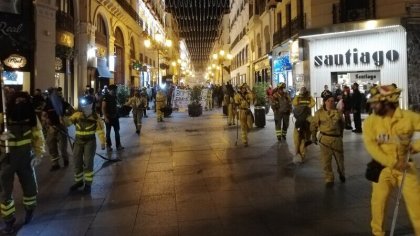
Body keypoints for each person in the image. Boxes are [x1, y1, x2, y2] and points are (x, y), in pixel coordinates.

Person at [363, 85, 420, 236]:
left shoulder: (408, 118)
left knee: (417, 204)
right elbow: (372, 147)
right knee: (378, 204)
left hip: (406, 166)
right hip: (382, 167)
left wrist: (416, 146)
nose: (372, 106)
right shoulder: (370, 122)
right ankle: (378, 233)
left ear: (387, 102)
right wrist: (393, 163)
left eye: (376, 102)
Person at [0, 91, 45, 234]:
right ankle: (8, 220)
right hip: (6, 159)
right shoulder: (4, 118)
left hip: (26, 158)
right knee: (4, 191)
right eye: (17, 100)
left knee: (30, 187)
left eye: (23, 101)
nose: (20, 104)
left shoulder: (32, 118)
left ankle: (29, 209)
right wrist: (1, 137)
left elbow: (38, 137)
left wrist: (39, 154)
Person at [67, 95, 105, 194]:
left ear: (91, 105)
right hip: (78, 142)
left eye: (87, 104)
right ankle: (79, 182)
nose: (84, 106)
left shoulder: (96, 117)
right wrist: (62, 118)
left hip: (90, 142)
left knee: (88, 163)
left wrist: (103, 142)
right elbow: (68, 122)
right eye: (83, 104)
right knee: (77, 162)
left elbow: (100, 131)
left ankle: (88, 185)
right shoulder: (77, 115)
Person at [310, 94, 345, 188]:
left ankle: (341, 173)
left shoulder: (338, 112)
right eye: (329, 101)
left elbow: (342, 125)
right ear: (325, 102)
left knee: (340, 161)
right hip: (325, 140)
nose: (331, 102)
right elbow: (314, 125)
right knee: (326, 161)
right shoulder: (319, 113)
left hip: (336, 139)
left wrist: (341, 135)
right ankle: (329, 179)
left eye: (332, 101)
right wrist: (313, 136)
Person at [41, 87, 71, 171]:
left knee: (62, 146)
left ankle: (66, 159)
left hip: (61, 127)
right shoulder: (47, 103)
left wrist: (66, 116)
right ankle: (55, 164)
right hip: (51, 127)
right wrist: (45, 120)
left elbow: (70, 110)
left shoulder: (62, 102)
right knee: (51, 145)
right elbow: (43, 114)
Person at [292, 87, 315, 163]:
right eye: (301, 91)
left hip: (307, 114)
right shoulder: (298, 97)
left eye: (303, 91)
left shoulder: (309, 97)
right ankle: (299, 152)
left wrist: (308, 106)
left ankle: (311, 138)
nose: (302, 92)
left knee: (313, 123)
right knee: (298, 138)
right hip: (300, 115)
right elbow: (294, 103)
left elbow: (313, 103)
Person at [102, 84, 124, 151]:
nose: (115, 91)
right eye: (114, 90)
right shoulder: (105, 97)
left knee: (117, 132)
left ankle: (118, 145)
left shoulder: (115, 96)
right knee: (108, 133)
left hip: (115, 117)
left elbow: (116, 105)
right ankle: (108, 146)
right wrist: (105, 117)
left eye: (115, 90)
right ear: (110, 90)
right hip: (108, 118)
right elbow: (103, 108)